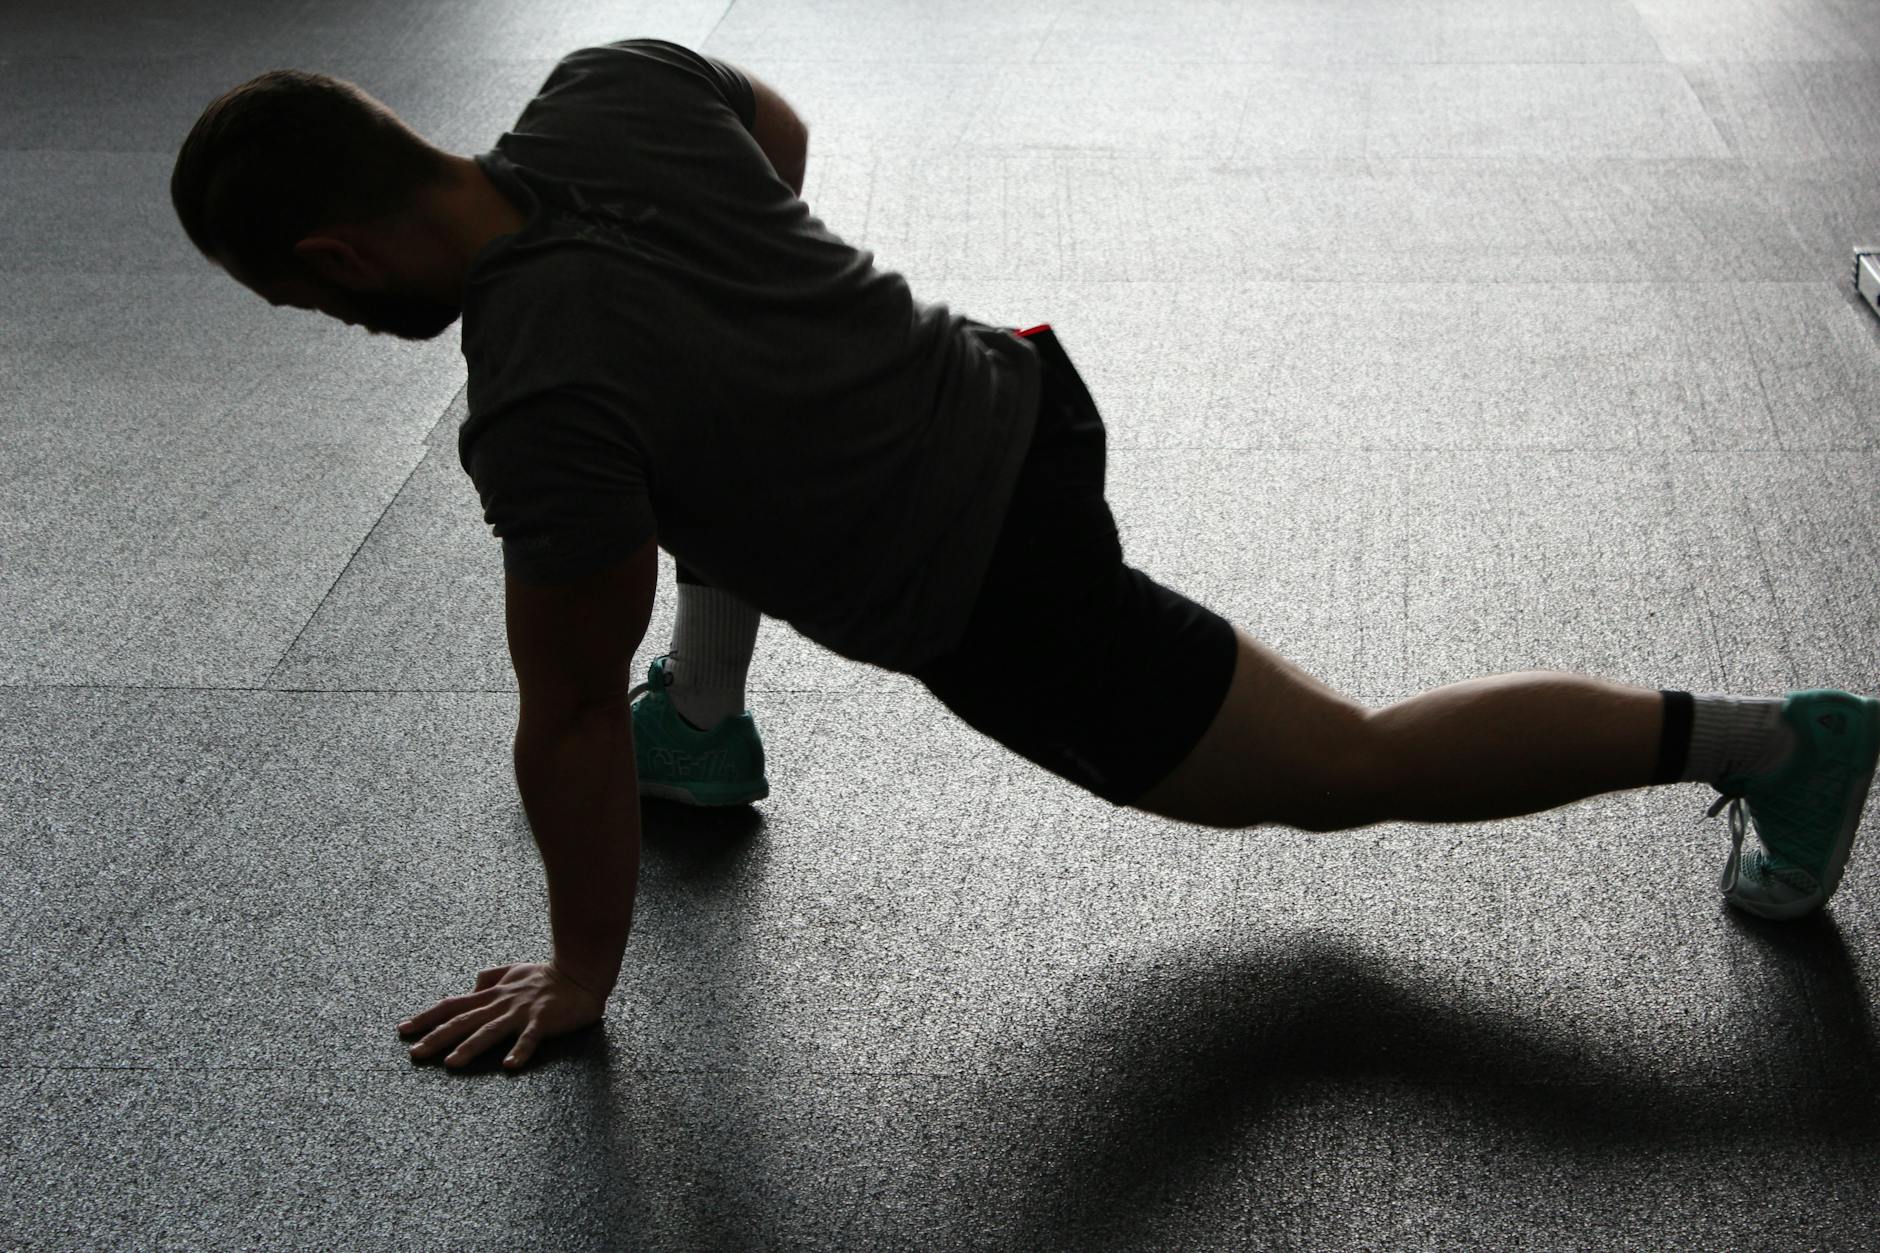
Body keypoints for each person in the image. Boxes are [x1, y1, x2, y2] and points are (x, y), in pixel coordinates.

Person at [170, 38, 1880, 1072]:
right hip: (1018, 381)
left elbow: (555, 719)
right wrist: (761, 331)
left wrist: (585, 970)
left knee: (1346, 768)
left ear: (332, 252)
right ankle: (705, 714)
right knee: (700, 449)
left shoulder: (539, 403)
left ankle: (1776, 743)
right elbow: (779, 145)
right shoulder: (609, 88)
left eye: (305, 301)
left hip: (1001, 588)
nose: (330, 323)